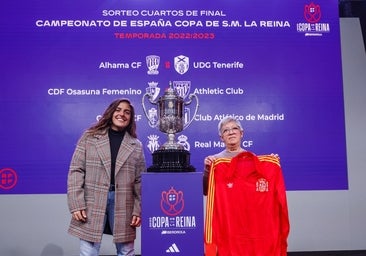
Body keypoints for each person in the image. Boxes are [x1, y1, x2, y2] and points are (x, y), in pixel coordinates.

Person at [67, 98, 146, 256]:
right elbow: (76, 170)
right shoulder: (89, 137)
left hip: (124, 202)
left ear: (131, 118)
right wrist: (76, 203)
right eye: (118, 110)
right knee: (88, 252)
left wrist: (138, 210)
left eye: (127, 112)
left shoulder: (136, 145)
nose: (122, 114)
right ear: (111, 112)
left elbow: (140, 181)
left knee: (126, 252)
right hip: (92, 199)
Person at [203, 116, 290, 256]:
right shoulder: (215, 161)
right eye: (226, 130)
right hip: (230, 226)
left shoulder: (256, 161)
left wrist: (272, 163)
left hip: (253, 226)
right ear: (221, 137)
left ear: (241, 133)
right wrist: (208, 170)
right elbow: (206, 190)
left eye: (234, 128)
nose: (231, 132)